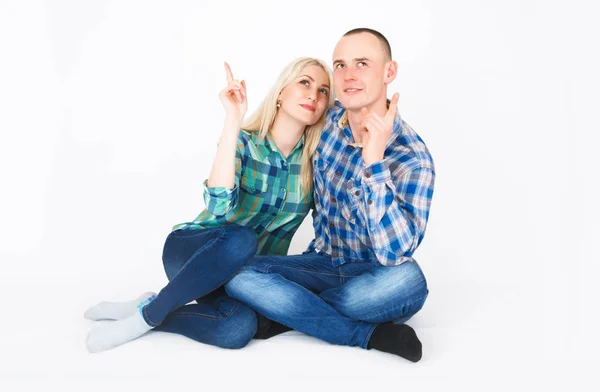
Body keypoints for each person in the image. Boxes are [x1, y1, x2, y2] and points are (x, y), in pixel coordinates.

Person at [83, 57, 334, 353]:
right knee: (242, 238)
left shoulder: (316, 165)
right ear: (281, 92)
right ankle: (146, 319)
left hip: (243, 277)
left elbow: (326, 234)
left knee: (237, 328)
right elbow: (219, 207)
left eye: (323, 91)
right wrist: (233, 119)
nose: (313, 95)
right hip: (194, 252)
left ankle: (152, 308)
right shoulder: (243, 141)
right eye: (305, 82)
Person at [224, 28, 436, 362]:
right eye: (340, 65)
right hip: (321, 263)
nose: (348, 76)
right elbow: (282, 126)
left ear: (389, 72)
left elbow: (394, 254)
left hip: (374, 276)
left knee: (409, 281)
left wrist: (374, 164)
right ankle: (361, 332)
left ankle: (288, 310)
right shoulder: (327, 120)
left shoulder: (413, 158)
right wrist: (235, 121)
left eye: (362, 63)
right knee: (234, 271)